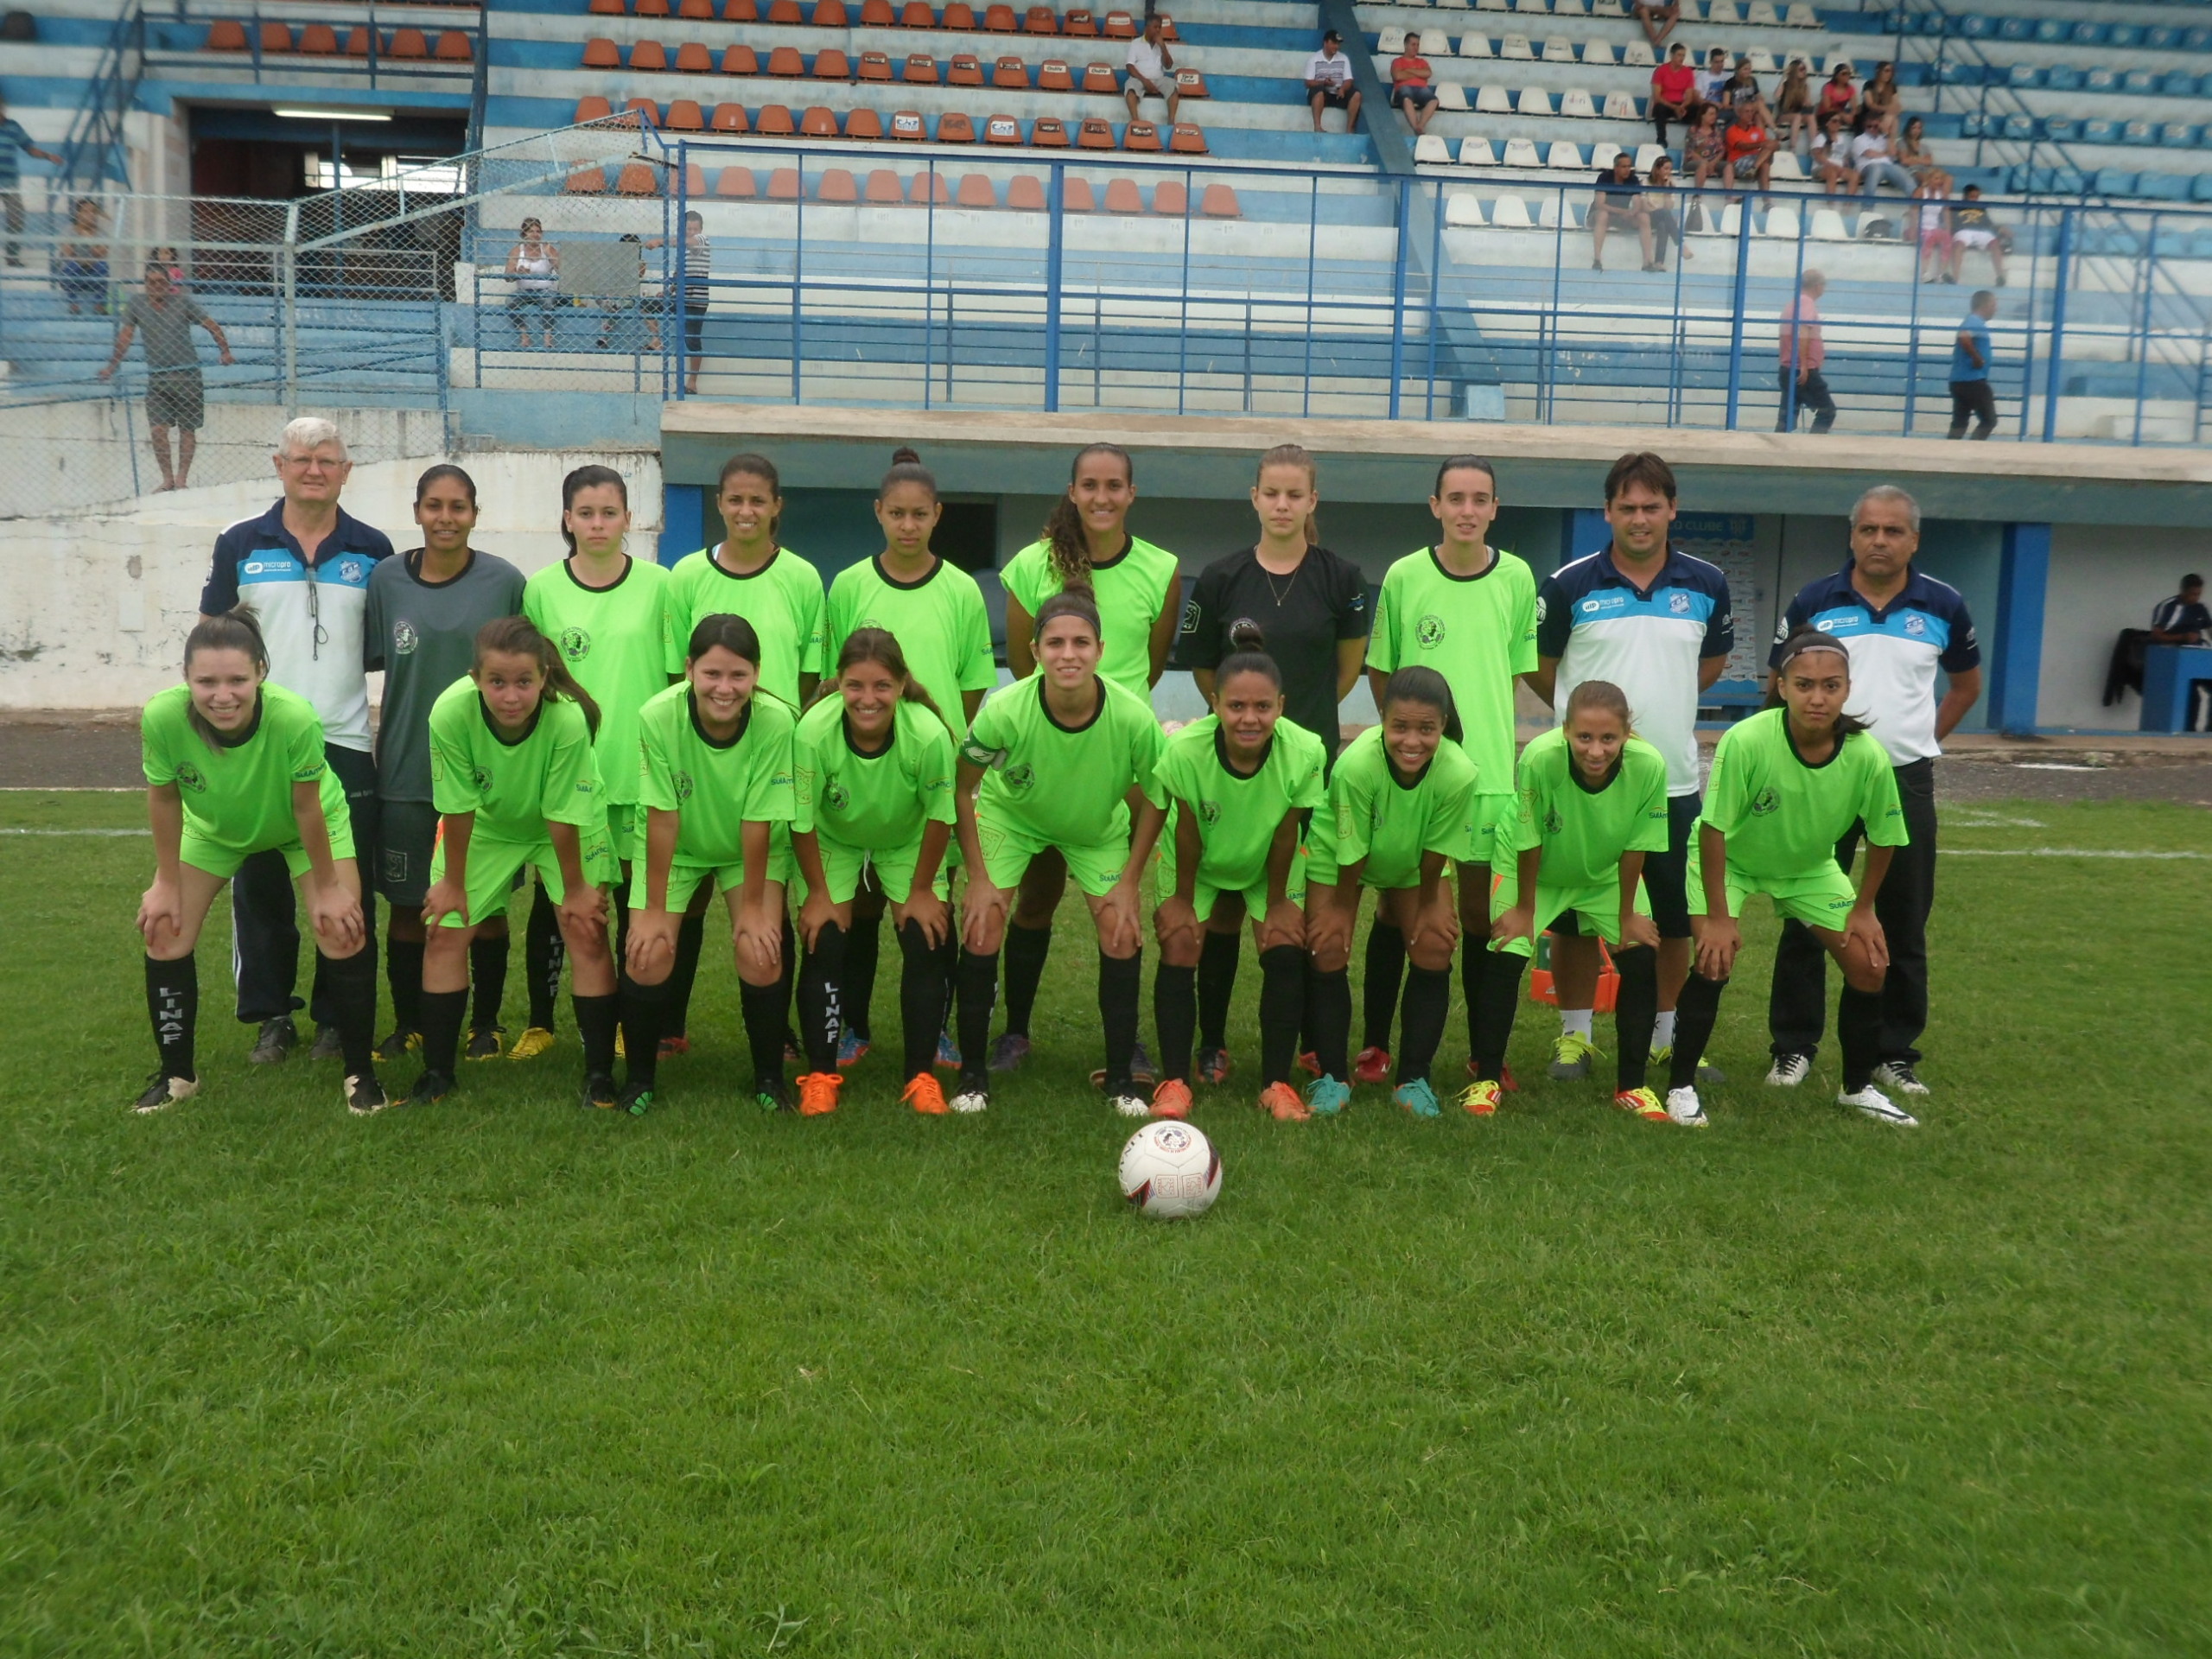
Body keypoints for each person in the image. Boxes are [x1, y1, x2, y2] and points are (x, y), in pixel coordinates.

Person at [1765, 486, 1980, 1102]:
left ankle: (1893, 1053)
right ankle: (1793, 1047)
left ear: (1914, 539)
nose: (1879, 541)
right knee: (1807, 911)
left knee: (1903, 918)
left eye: (1892, 531)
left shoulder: (1944, 604)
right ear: (1852, 536)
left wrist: (1920, 740)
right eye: (1868, 530)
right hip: (1823, 777)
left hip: (1903, 779)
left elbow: (1965, 685)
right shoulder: (1815, 600)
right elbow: (1781, 679)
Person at [1531, 452, 1732, 1087]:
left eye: (1652, 507)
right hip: (1582, 782)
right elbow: (1544, 668)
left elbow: (1710, 665)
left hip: (1668, 781)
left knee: (1672, 916)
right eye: (1627, 507)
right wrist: (1588, 727)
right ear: (1607, 511)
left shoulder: (1706, 584)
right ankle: (1575, 1036)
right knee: (1573, 916)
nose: (1639, 519)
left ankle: (1669, 1037)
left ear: (1672, 509)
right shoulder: (1567, 585)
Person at [134, 611, 384, 1116]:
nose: (222, 695)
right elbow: (163, 799)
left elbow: (308, 807)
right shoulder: (162, 717)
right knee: (163, 928)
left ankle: (361, 1073)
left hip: (303, 826)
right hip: (215, 830)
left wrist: (331, 887)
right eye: (206, 682)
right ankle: (177, 1074)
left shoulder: (294, 717)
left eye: (237, 680)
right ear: (187, 679)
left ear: (261, 673)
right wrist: (165, 881)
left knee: (342, 928)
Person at [197, 417, 392, 1065]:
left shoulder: (373, 549)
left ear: (346, 472)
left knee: (342, 882)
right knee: (261, 888)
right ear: (278, 464)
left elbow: (377, 648)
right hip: (255, 744)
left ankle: (337, 1017)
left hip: (341, 741)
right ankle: (272, 1017)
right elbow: (214, 643)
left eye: (327, 460)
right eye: (303, 458)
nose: (315, 469)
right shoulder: (239, 542)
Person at [1670, 629, 1916, 1129]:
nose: (1817, 698)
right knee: (1714, 961)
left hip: (1807, 867)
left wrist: (1864, 908)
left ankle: (1857, 1088)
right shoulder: (1748, 739)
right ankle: (1679, 1086)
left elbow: (1887, 835)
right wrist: (1719, 917)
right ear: (1781, 686)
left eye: (1831, 685)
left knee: (1870, 964)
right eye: (1804, 684)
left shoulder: (1866, 755)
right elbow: (1714, 830)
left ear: (1847, 689)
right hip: (1731, 862)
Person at [995, 443, 1180, 1077]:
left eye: (1115, 486)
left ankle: (1124, 1044)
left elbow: (1150, 665)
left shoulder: (1161, 567)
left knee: (1119, 904)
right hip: (1046, 746)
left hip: (1120, 755)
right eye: (1090, 485)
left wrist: (1109, 716)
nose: (1102, 497)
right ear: (1072, 492)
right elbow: (1024, 663)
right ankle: (1015, 1032)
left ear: (1131, 493)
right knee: (1037, 894)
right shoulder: (1029, 565)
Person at [950, 588, 1168, 1118]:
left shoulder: (1133, 717)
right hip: (1013, 817)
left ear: (1100, 649)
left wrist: (1129, 881)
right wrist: (978, 877)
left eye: (1080, 643)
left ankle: (1120, 1078)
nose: (1068, 654)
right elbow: (960, 788)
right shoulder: (1004, 710)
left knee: (1119, 928)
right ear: (1034, 649)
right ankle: (974, 1074)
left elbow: (1159, 797)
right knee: (983, 922)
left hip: (1095, 826)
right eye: (1055, 643)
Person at [1364, 456, 1537, 1093]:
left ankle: (1483, 1060)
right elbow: (1385, 675)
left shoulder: (1517, 577)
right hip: (1417, 779)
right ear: (1434, 505)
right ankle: (1377, 1048)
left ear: (1495, 508)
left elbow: (1512, 673)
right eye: (1456, 498)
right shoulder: (1406, 575)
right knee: (1396, 909)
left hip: (1489, 777)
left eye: (1480, 499)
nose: (1468, 509)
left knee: (1481, 919)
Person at [822, 448, 996, 1071]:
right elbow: (833, 675)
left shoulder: (960, 590)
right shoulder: (848, 585)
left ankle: (939, 1030)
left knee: (931, 902)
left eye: (919, 514)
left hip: (928, 767)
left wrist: (941, 736)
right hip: (861, 763)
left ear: (937, 515)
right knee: (861, 901)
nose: (907, 524)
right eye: (896, 513)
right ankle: (853, 1027)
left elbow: (972, 684)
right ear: (878, 513)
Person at [413, 618, 623, 1109]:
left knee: (585, 928)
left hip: (568, 825)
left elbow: (562, 814)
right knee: (445, 928)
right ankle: (438, 1075)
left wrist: (574, 892)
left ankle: (598, 1076)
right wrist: (454, 884)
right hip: (488, 824)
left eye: (524, 682)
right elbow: (458, 805)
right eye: (497, 683)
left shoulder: (568, 719)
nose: (511, 696)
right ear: (475, 678)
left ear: (544, 677)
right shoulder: (449, 713)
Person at [363, 465, 525, 1066]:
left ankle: (485, 1024)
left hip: (486, 781)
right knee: (408, 907)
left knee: (483, 911)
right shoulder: (386, 581)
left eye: (458, 507)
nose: (446, 518)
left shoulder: (505, 582)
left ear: (475, 515)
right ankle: (409, 1024)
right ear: (417, 512)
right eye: (435, 505)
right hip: (407, 771)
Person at [520, 466, 673, 1062]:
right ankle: (540, 1020)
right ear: (567, 520)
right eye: (585, 513)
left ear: (628, 518)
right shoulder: (541, 589)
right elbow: (530, 685)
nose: (598, 524)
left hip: (638, 771)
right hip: (570, 774)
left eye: (610, 512)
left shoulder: (660, 585)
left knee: (643, 899)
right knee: (557, 900)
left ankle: (633, 1021)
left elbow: (671, 679)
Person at [1470, 681, 1670, 1122]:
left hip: (1605, 872)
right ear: (1565, 731)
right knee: (1508, 951)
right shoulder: (1540, 759)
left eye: (1608, 739)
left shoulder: (1650, 765)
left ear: (1626, 735)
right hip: (1535, 871)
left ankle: (1632, 1087)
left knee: (1639, 957)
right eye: (1584, 737)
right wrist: (1524, 910)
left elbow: (1639, 842)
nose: (1596, 751)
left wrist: (1625, 917)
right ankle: (1486, 1079)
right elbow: (1528, 835)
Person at [1150, 625, 1328, 1122]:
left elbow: (1286, 831)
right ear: (1215, 704)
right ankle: (1175, 1082)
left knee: (1283, 943)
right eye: (1235, 707)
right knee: (1181, 940)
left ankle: (1276, 1083)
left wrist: (1278, 903)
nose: (1249, 718)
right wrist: (1182, 900)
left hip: (1268, 861)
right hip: (1199, 862)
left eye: (1263, 707)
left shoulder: (1306, 750)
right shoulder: (1185, 750)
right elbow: (1186, 830)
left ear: (1281, 706)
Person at [625, 614, 798, 1114]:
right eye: (712, 674)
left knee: (759, 948)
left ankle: (768, 1078)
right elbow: (661, 818)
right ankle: (639, 1080)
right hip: (675, 845)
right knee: (649, 951)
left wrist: (756, 911)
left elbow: (758, 819)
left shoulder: (775, 721)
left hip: (749, 848)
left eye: (738, 675)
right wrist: (655, 909)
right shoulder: (658, 716)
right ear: (689, 670)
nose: (725, 688)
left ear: (757, 675)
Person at [790, 629, 959, 1116]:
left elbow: (939, 816)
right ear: (838, 683)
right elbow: (801, 821)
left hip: (906, 839)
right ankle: (820, 1074)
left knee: (925, 936)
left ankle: (921, 1076)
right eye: (856, 686)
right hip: (834, 838)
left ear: (902, 685)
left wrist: (924, 890)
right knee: (824, 937)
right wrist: (819, 893)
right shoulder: (813, 732)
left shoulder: (926, 733)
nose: (868, 699)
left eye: (882, 686)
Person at [1299, 668, 1474, 1119]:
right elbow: (1351, 846)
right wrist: (1340, 909)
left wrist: (1429, 901)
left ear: (1442, 726)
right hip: (1339, 856)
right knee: (1328, 945)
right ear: (1382, 719)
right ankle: (1333, 1076)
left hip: (1412, 861)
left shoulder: (1460, 772)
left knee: (1434, 945)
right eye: (1400, 727)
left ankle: (1414, 1078)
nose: (1411, 741)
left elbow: (1438, 848)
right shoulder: (1357, 765)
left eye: (1426, 729)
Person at [98, 262, 235, 493]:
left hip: (187, 376)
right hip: (158, 378)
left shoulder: (182, 302)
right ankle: (168, 479)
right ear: (145, 284)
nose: (156, 286)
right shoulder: (136, 305)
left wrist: (225, 350)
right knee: (158, 430)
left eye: (161, 281)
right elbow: (125, 337)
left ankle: (181, 479)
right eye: (151, 282)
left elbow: (210, 324)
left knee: (187, 429)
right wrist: (112, 366)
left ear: (169, 284)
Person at [642, 210, 710, 395]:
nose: (691, 232)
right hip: (679, 299)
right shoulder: (684, 251)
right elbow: (679, 274)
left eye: (694, 228)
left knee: (692, 340)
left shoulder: (702, 240)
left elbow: (688, 242)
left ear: (701, 229)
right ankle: (657, 339)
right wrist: (667, 292)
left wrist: (659, 241)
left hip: (696, 301)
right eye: (688, 228)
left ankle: (692, 382)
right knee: (646, 306)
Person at [0, 96, 60, 266]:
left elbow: (29, 149)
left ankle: (12, 257)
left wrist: (48, 156)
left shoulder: (13, 127)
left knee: (17, 219)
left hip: (9, 182)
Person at [1778, 270, 1835, 434]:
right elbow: (1803, 332)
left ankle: (1777, 450)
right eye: (1824, 285)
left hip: (1788, 368)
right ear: (1817, 286)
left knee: (1788, 415)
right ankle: (1813, 447)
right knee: (1827, 411)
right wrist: (1804, 365)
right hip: (1803, 370)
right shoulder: (1806, 304)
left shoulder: (1792, 304)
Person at [1947, 289, 1999, 441]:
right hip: (1973, 380)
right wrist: (1977, 358)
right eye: (1994, 305)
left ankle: (1949, 451)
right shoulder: (1974, 321)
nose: (1996, 309)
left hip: (1959, 380)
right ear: (1986, 305)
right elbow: (1964, 336)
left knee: (1960, 422)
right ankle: (1973, 449)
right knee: (1989, 420)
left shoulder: (1973, 321)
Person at [1589, 149, 1652, 273]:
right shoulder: (1604, 177)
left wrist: (1632, 212)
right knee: (1603, 215)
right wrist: (1622, 211)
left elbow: (1637, 202)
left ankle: (1647, 262)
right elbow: (1600, 204)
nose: (1627, 169)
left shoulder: (1633, 179)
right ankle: (1597, 260)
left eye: (1629, 166)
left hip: (1621, 217)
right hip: (1599, 215)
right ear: (1616, 167)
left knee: (1644, 217)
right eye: (1624, 167)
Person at [505, 216, 559, 350]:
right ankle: (524, 336)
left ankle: (547, 339)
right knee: (510, 302)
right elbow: (507, 276)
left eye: (538, 231)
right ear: (524, 234)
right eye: (531, 231)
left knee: (548, 302)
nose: (535, 235)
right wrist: (518, 273)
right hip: (524, 291)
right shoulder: (517, 251)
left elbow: (562, 270)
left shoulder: (548, 248)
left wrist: (551, 256)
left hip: (545, 290)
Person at [1123, 14, 1180, 129]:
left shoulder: (1162, 44)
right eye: (1155, 27)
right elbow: (1130, 66)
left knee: (1172, 86)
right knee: (1130, 89)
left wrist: (1163, 47)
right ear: (1147, 28)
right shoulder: (1136, 43)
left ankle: (1171, 122)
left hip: (1159, 79)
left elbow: (1168, 66)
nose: (1158, 30)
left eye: (1159, 27)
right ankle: (1135, 121)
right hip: (1140, 79)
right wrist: (1145, 81)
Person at [55, 196, 108, 315]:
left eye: (93, 212)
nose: (91, 215)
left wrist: (88, 239)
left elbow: (101, 253)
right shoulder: (69, 231)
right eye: (86, 211)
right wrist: (87, 260)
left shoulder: (101, 233)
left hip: (93, 274)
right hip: (73, 274)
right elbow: (68, 254)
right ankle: (74, 304)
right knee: (71, 266)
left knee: (104, 267)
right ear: (78, 214)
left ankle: (99, 305)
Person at [1947, 184, 2007, 286]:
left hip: (1982, 232)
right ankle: (1955, 277)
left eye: (1976, 197)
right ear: (1965, 196)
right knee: (1958, 246)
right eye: (1972, 196)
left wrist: (2000, 228)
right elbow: (1950, 222)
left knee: (1995, 244)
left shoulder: (1981, 208)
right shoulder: (1955, 206)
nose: (1975, 199)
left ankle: (2000, 276)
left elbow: (1989, 224)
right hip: (1963, 231)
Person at [1639, 156, 1690, 271]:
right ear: (1657, 169)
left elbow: (1669, 207)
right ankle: (1681, 245)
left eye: (1670, 169)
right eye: (1666, 168)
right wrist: (1657, 209)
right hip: (1646, 217)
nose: (1668, 172)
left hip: (1662, 216)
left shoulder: (1671, 184)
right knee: (1664, 213)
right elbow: (1644, 207)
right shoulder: (1645, 182)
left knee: (1663, 224)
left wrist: (1666, 189)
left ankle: (1659, 262)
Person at [1304, 31, 1361, 133]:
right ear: (1325, 43)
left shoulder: (1344, 58)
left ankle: (1349, 130)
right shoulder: (1314, 59)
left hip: (1338, 93)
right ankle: (1317, 127)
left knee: (1356, 95)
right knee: (1319, 92)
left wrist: (1343, 89)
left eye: (1338, 44)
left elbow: (1349, 80)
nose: (1336, 46)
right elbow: (1308, 83)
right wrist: (1323, 83)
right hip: (1323, 93)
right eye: (1334, 43)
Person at [1848, 111, 1916, 196]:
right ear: (1864, 126)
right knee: (1876, 169)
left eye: (1876, 126)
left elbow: (1893, 153)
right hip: (1867, 166)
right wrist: (1886, 154)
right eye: (1869, 126)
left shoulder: (1884, 138)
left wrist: (1887, 135)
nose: (1872, 128)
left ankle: (1916, 204)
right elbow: (1870, 154)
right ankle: (1867, 207)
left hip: (1887, 165)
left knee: (1906, 176)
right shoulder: (1859, 139)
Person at [1389, 32, 1439, 137]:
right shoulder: (1397, 61)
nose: (1416, 47)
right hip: (1404, 88)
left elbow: (1428, 73)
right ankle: (1417, 128)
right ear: (1406, 45)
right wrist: (1418, 74)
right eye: (1413, 44)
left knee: (1434, 101)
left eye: (1417, 45)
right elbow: (1398, 76)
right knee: (1407, 99)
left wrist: (1408, 71)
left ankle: (1419, 126)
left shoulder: (1422, 62)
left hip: (1421, 89)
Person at [1722, 100, 1776, 198]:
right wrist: (1762, 144)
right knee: (1765, 160)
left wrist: (1772, 144)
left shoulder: (1757, 130)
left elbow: (1770, 146)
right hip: (1739, 161)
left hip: (1755, 160)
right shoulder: (1732, 130)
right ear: (1739, 113)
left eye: (1752, 112)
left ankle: (1754, 169)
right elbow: (1742, 146)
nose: (1750, 114)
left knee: (1766, 160)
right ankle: (1766, 199)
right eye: (1747, 111)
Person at [1649, 42, 1698, 147]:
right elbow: (1657, 97)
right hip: (1665, 104)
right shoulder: (1661, 70)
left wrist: (1682, 107)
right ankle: (1661, 140)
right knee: (1659, 109)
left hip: (1680, 104)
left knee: (1697, 110)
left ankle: (1694, 141)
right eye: (1679, 55)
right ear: (1672, 55)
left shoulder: (1688, 72)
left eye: (1683, 55)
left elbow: (1689, 96)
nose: (1681, 58)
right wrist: (1674, 107)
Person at [2149, 575, 2209, 645]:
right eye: (2193, 594)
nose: (2197, 598)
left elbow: (2210, 630)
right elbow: (2155, 636)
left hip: (2195, 649)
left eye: (2199, 594)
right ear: (2183, 591)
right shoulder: (2167, 607)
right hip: (2170, 648)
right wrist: (2183, 637)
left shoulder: (2200, 608)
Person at [1810, 110, 1859, 195]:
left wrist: (1844, 165)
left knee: (1855, 175)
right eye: (1834, 121)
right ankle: (1830, 205)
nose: (1838, 124)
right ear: (1827, 123)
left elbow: (1844, 157)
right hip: (1821, 168)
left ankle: (1848, 206)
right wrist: (1833, 166)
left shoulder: (1842, 138)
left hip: (1838, 168)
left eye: (1840, 121)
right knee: (1832, 173)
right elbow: (1818, 156)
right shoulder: (1821, 138)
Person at [1774, 59, 1816, 154]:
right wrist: (1784, 77)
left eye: (1804, 69)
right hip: (1783, 114)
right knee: (1797, 117)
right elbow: (1776, 96)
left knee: (1811, 117)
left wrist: (1808, 104)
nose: (1804, 71)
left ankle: (1814, 147)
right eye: (1801, 69)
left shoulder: (1805, 86)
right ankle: (1792, 148)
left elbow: (1808, 102)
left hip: (1799, 112)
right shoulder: (1785, 85)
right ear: (1794, 70)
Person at [1685, 103, 1726, 194]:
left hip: (1713, 162)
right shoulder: (1693, 130)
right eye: (1711, 114)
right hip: (1694, 162)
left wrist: (1713, 163)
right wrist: (1707, 164)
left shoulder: (1717, 131)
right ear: (1702, 116)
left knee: (1728, 166)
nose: (1714, 117)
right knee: (1702, 165)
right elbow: (1690, 151)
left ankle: (1729, 197)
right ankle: (1697, 195)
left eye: (1715, 114)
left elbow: (1721, 150)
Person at [1859, 60, 1901, 136]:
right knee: (1891, 119)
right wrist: (1887, 108)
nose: (1889, 74)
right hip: (1869, 114)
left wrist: (1892, 109)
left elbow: (1896, 105)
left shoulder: (1892, 87)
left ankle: (1886, 138)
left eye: (1891, 71)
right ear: (1879, 71)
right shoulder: (1869, 85)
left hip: (1885, 116)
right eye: (1886, 71)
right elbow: (1870, 105)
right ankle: (1887, 139)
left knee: (1893, 118)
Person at [1897, 116, 1937, 184]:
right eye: (1914, 128)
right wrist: (1921, 160)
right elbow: (1904, 161)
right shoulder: (1902, 143)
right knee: (1925, 177)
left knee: (1948, 178)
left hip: (1924, 170)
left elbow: (1929, 162)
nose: (1916, 131)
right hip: (1910, 171)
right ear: (1909, 129)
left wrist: (1913, 159)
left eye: (1919, 128)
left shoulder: (1925, 147)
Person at [1817, 60, 1858, 125]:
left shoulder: (1850, 88)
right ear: (1836, 75)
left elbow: (1854, 107)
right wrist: (1842, 114)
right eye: (1844, 74)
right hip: (1825, 114)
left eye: (1849, 74)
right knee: (1836, 118)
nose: (1847, 76)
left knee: (1857, 119)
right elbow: (1827, 108)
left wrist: (1852, 115)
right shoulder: (1828, 87)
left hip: (1841, 114)